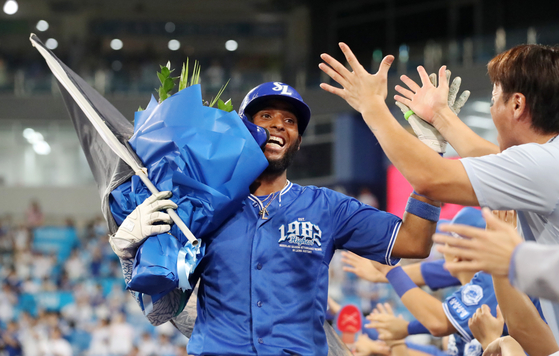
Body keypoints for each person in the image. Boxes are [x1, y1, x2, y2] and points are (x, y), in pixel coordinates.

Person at [109, 82, 443, 355]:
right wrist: (130, 253)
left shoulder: (327, 207)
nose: (277, 125)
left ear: (297, 141)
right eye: (265, 115)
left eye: (289, 121)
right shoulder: (201, 205)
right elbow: (162, 310)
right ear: (242, 129)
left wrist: (431, 163)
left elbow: (414, 242)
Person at [319, 42, 559, 337]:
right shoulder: (548, 159)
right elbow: (486, 156)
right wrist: (440, 117)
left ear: (517, 105)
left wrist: (371, 106)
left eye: (495, 98)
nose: (492, 107)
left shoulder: (545, 164)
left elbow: (430, 178)